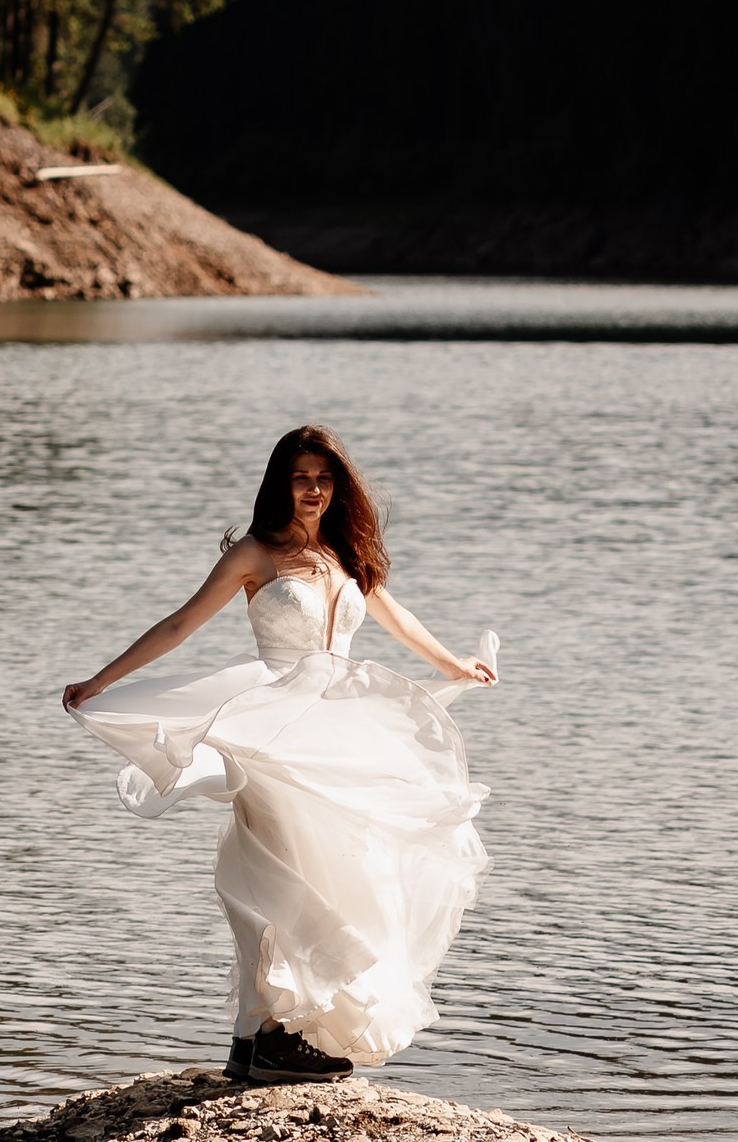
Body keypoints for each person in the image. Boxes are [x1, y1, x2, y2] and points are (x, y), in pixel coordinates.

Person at [62, 425, 499, 1085]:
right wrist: (102, 679)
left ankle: (257, 1038)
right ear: (280, 483)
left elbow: (394, 616)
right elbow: (181, 622)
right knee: (279, 877)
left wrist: (449, 661)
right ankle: (270, 1034)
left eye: (324, 477)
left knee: (350, 873)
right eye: (301, 477)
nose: (314, 488)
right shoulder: (254, 553)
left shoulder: (344, 552)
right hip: (272, 728)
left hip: (342, 733)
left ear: (338, 485)